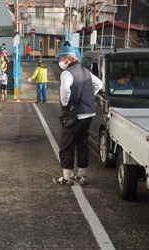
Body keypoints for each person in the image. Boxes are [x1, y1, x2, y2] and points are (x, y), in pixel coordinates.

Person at [53, 41, 103, 186]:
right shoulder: (85, 71)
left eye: (61, 59)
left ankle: (67, 177)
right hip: (88, 115)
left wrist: (65, 103)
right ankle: (82, 176)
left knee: (66, 145)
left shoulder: (67, 73)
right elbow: (99, 84)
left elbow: (65, 91)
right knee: (82, 145)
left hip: (75, 116)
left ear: (68, 59)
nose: (60, 61)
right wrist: (88, 97)